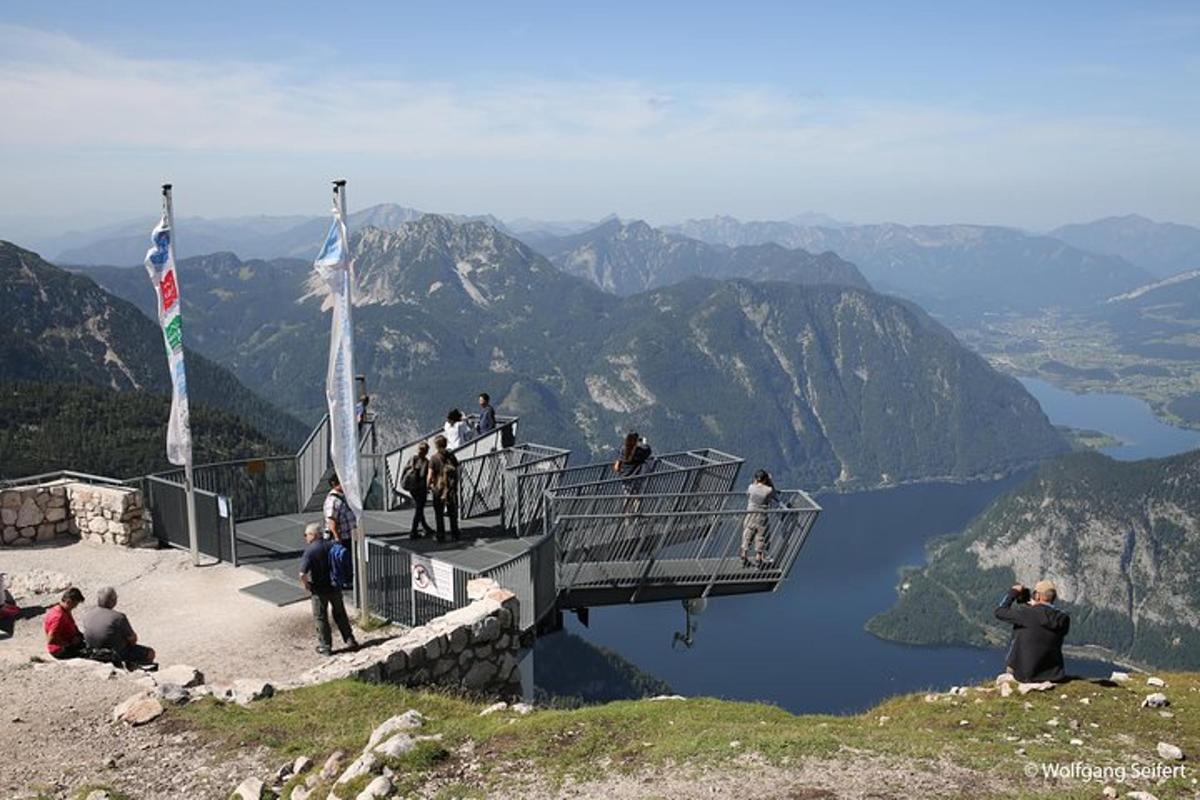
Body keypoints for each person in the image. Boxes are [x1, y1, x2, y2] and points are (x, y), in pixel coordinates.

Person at [995, 580, 1070, 683]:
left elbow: (999, 612)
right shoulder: (1063, 618)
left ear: (1038, 596)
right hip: (1053, 674)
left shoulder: (1026, 614)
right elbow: (1042, 619)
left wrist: (1013, 592)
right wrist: (1036, 606)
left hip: (1025, 674)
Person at [299, 522, 358, 656]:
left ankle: (326, 646)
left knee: (321, 617)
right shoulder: (332, 545)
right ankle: (350, 640)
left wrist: (306, 585)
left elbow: (302, 574)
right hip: (335, 586)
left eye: (306, 535)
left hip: (319, 590)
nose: (305, 537)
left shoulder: (310, 551)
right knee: (340, 614)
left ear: (313, 535)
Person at [82, 587, 156, 668]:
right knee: (150, 653)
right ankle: (135, 669)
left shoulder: (88, 614)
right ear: (112, 601)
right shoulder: (118, 617)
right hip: (114, 654)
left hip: (93, 651)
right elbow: (132, 639)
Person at [741, 469, 777, 569]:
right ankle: (758, 559)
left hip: (750, 515)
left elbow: (748, 494)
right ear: (765, 479)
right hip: (761, 516)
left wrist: (756, 482)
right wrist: (770, 481)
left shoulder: (751, 487)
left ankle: (744, 555)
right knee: (761, 537)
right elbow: (774, 494)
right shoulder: (768, 490)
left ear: (756, 479)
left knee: (747, 534)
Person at [428, 434, 461, 542]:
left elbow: (430, 475)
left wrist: (428, 486)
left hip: (439, 488)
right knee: (452, 512)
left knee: (439, 513)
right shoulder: (451, 456)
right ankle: (455, 533)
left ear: (436, 446)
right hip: (451, 489)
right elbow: (457, 469)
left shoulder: (433, 458)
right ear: (446, 444)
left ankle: (440, 535)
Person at [44, 587, 87, 659]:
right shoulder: (58, 616)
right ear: (68, 602)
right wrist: (69, 643)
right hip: (60, 649)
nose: (75, 607)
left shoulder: (62, 609)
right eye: (75, 605)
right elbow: (51, 639)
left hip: (71, 640)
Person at [401, 442, 433, 538]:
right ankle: (413, 530)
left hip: (412, 488)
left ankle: (425, 527)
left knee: (419, 508)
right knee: (419, 509)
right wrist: (428, 486)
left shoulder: (412, 459)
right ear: (426, 451)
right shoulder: (425, 462)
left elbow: (405, 470)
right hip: (421, 489)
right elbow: (424, 476)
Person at [324, 473, 356, 547]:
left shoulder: (343, 496)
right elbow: (332, 522)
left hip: (349, 537)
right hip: (342, 540)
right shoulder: (333, 500)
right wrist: (338, 540)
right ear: (335, 484)